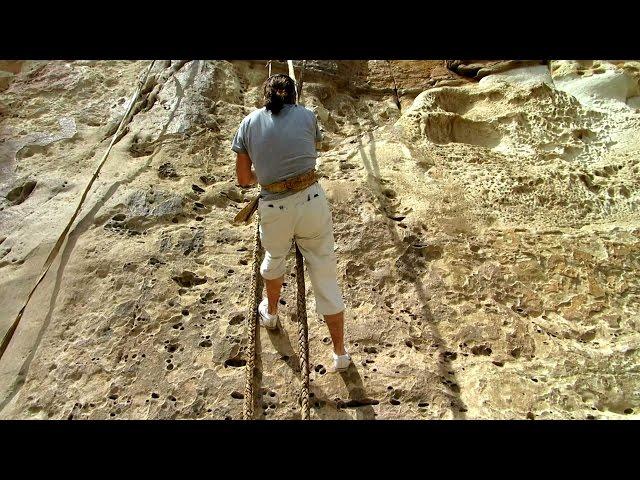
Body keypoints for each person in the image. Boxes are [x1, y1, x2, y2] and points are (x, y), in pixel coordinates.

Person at [231, 73, 351, 372]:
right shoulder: (308, 116)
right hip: (311, 200)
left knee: (274, 257)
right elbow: (312, 149)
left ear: (265, 96)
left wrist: (267, 177)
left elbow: (244, 179)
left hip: (275, 205)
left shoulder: (248, 123)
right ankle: (339, 353)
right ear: (294, 95)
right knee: (323, 269)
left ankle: (270, 313)